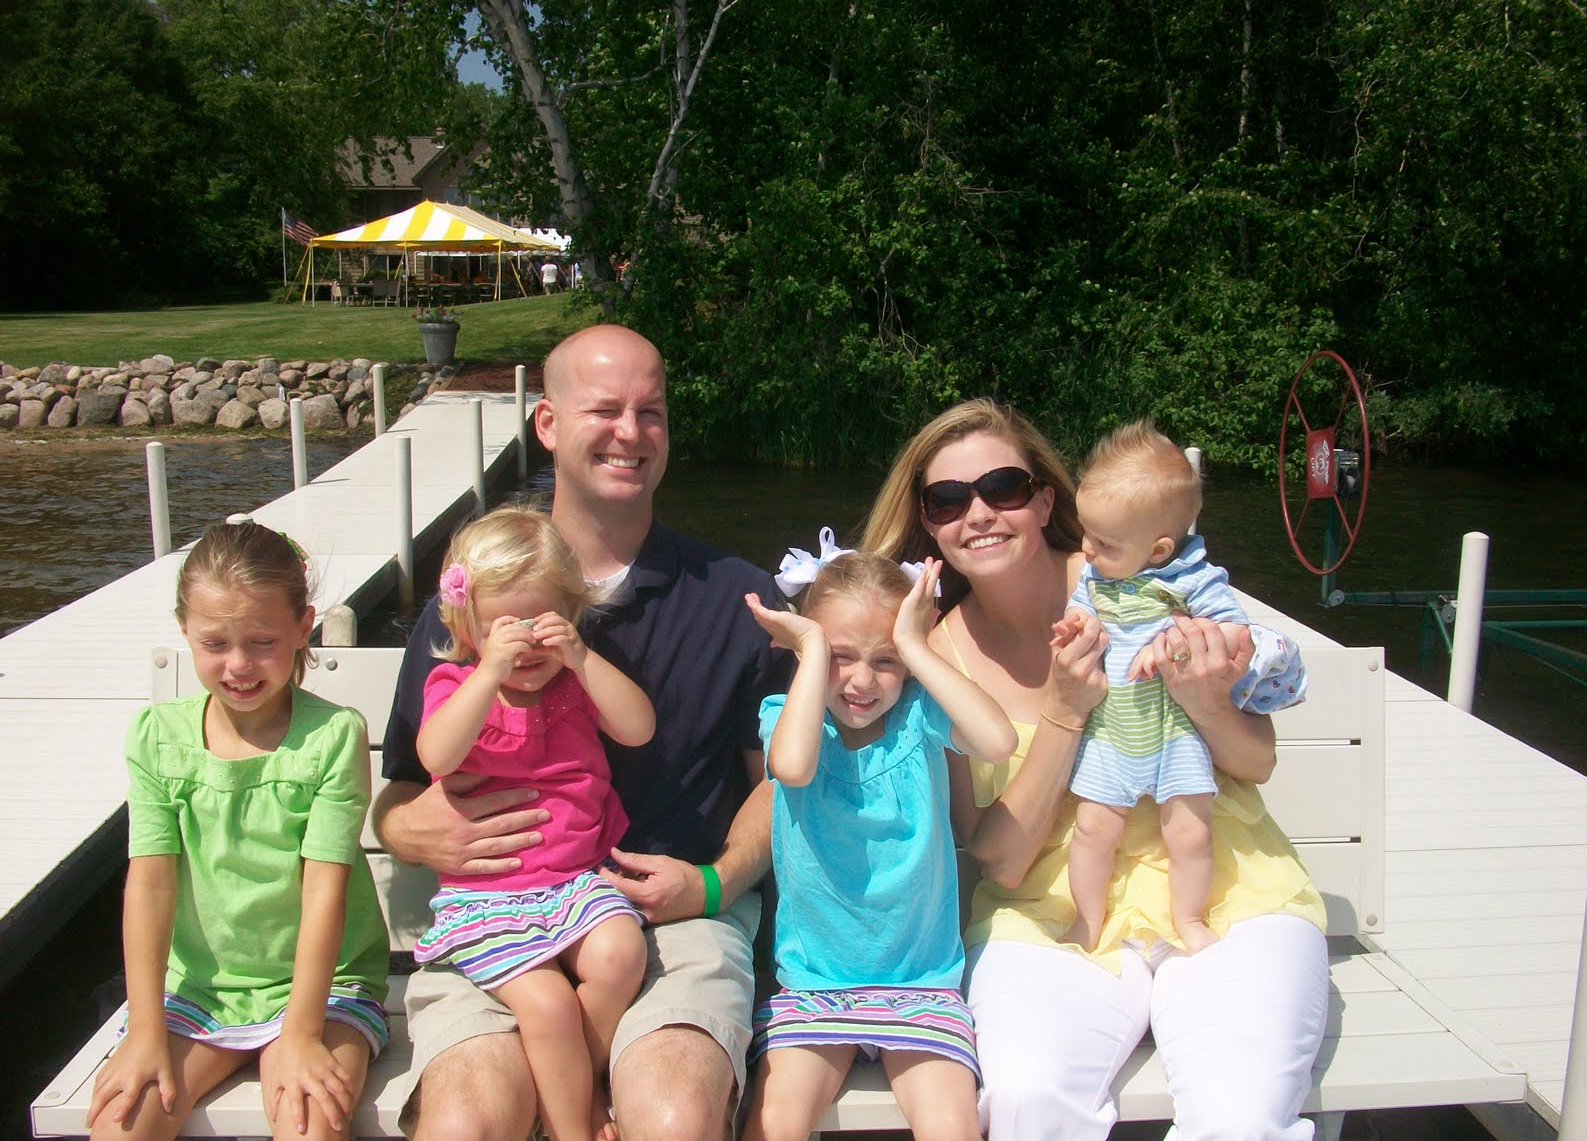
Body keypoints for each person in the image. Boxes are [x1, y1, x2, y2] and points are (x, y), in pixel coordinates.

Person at [862, 399, 1329, 1141]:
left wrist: (1203, 700)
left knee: (1239, 1115)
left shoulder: (1143, 569)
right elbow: (1001, 861)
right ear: (930, 523)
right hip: (1052, 916)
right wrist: (1063, 710)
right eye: (948, 500)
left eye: (1003, 488)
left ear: (1048, 501)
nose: (978, 514)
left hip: (1226, 894)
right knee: (1026, 1099)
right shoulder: (934, 658)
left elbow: (1257, 761)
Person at [375, 324, 793, 1141]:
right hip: (497, 919)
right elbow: (402, 786)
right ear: (548, 424)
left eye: (651, 412)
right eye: (605, 410)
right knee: (465, 1122)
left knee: (673, 1117)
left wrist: (713, 885)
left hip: (678, 928)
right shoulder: (469, 604)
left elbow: (780, 781)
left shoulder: (739, 599)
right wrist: (407, 831)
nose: (630, 433)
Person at [88, 521, 389, 1141]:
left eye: (262, 641)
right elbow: (149, 884)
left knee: (310, 1120)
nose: (239, 664)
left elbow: (324, 891)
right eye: (215, 643)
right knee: (123, 1120)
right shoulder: (156, 737)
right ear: (185, 631)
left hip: (324, 987)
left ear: (303, 628)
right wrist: (144, 1031)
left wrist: (301, 1034)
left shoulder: (332, 738)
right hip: (199, 987)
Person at [740, 547, 1016, 1141]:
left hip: (921, 984)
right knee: (775, 1121)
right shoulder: (787, 716)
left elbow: (997, 741)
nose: (862, 681)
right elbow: (791, 767)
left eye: (885, 660)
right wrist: (809, 649)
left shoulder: (921, 717)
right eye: (839, 656)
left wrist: (916, 645)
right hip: (816, 983)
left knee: (951, 1126)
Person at [413, 505, 656, 1141]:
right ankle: (573, 1125)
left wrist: (582, 658)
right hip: (487, 898)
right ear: (467, 626)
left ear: (571, 616)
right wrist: (489, 671)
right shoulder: (456, 685)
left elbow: (638, 728)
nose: (525, 643)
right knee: (547, 1004)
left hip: (577, 882)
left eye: (542, 623)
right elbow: (437, 755)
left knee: (621, 954)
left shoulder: (575, 684)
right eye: (503, 628)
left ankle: (573, 1083)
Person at [1062, 421, 1307, 955]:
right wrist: (1075, 628)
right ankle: (1087, 919)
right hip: (1112, 730)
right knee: (1092, 829)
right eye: (1086, 533)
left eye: (1103, 541)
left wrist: (1173, 642)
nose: (1086, 548)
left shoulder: (1192, 580)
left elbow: (1235, 633)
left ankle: (1190, 918)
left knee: (1190, 833)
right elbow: (1080, 614)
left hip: (1175, 730)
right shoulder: (1095, 577)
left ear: (1158, 549)